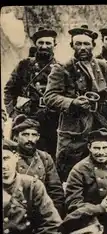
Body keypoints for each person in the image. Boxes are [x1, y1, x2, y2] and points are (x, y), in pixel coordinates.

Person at [44, 24, 107, 182]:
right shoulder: (62, 68)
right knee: (69, 172)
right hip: (73, 130)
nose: (83, 48)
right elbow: (49, 97)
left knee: (101, 171)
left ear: (93, 45)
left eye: (86, 44)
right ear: (72, 46)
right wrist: (72, 102)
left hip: (100, 126)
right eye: (78, 44)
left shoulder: (104, 66)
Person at [3, 27, 60, 158]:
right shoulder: (24, 65)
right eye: (41, 43)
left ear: (54, 45)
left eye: (48, 43)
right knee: (23, 153)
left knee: (49, 154)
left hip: (51, 119)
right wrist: (13, 112)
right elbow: (9, 90)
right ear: (35, 44)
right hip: (27, 117)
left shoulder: (60, 68)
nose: (44, 46)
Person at [11, 114, 65, 217]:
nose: (30, 139)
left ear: (38, 137)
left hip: (40, 211)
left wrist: (55, 216)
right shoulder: (9, 157)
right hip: (15, 211)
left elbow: (55, 191)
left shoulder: (45, 158)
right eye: (25, 135)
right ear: (16, 137)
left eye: (34, 135)